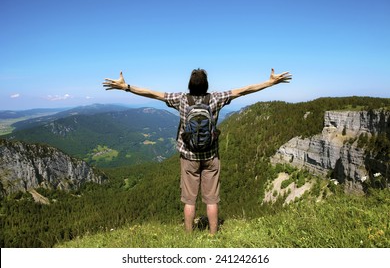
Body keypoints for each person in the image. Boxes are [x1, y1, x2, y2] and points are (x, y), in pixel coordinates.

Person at [103, 68, 292, 234]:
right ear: (207, 85)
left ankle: (188, 236)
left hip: (188, 156)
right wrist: (270, 82)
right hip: (211, 156)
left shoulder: (181, 99)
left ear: (189, 86)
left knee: (189, 200)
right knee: (211, 200)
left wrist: (126, 86)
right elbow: (245, 90)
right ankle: (213, 235)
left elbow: (152, 94)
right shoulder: (217, 98)